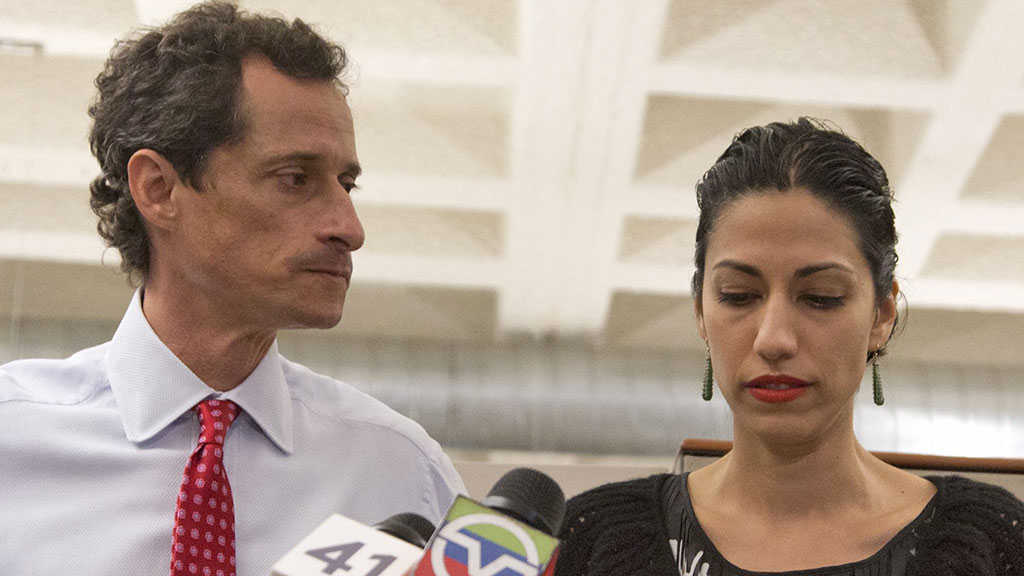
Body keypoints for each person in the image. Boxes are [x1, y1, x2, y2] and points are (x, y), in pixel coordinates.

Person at [0, 3, 465, 574]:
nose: (350, 229)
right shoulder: (10, 440)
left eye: (346, 184)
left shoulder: (403, 472)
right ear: (159, 189)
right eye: (295, 179)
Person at [555, 118, 1024, 576]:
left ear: (881, 315)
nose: (774, 338)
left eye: (821, 298)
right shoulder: (590, 538)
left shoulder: (994, 542)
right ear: (700, 310)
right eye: (738, 295)